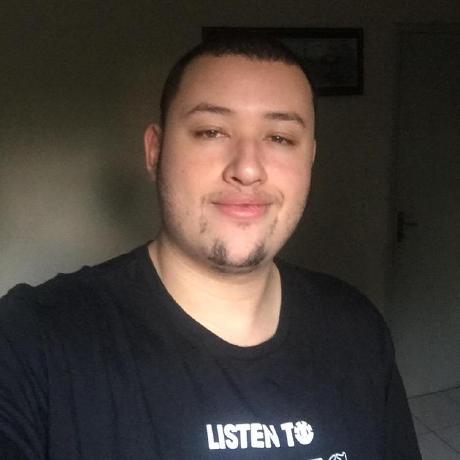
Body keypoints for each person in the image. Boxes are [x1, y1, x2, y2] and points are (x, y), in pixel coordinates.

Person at [0, 34, 421, 459]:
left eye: (279, 138)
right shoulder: (31, 343)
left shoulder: (357, 328)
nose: (248, 169)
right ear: (155, 152)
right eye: (211, 131)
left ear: (309, 159)